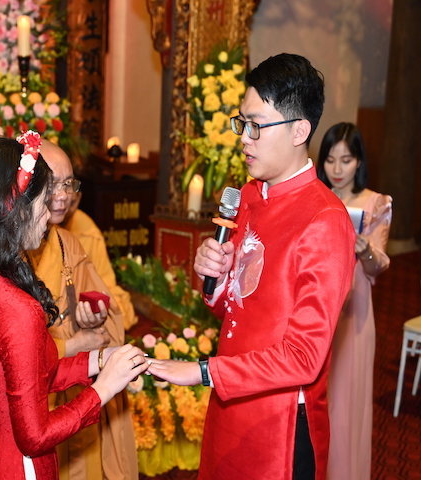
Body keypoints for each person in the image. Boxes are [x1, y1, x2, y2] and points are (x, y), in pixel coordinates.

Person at [147, 53, 356, 480]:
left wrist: (204, 371)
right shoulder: (247, 196)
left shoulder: (325, 220)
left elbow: (303, 358)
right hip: (230, 400)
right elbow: (234, 309)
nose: (244, 138)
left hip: (278, 420)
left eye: (257, 126)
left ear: (300, 131)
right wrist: (215, 277)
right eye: (241, 123)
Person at [0, 132, 149, 480]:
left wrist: (99, 360)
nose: (49, 215)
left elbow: (30, 377)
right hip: (19, 469)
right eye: (43, 202)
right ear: (17, 210)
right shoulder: (17, 309)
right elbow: (35, 437)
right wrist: (104, 389)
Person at [27, 140, 139, 480]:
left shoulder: (67, 242)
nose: (63, 195)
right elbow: (15, 349)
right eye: (53, 185)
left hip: (74, 385)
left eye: (69, 184)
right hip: (34, 400)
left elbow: (106, 306)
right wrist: (73, 344)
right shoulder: (10, 251)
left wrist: (94, 315)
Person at [316, 122, 392, 480]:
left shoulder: (375, 203)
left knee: (346, 403)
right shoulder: (317, 196)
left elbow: (380, 265)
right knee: (315, 398)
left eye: (346, 160)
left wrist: (365, 251)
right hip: (316, 305)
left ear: (359, 161)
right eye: (330, 159)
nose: (337, 169)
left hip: (353, 310)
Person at [61, 189, 139, 331]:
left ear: (79, 198)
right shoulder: (37, 227)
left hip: (81, 301)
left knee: (118, 309)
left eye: (71, 203)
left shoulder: (88, 231)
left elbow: (105, 281)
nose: (64, 207)